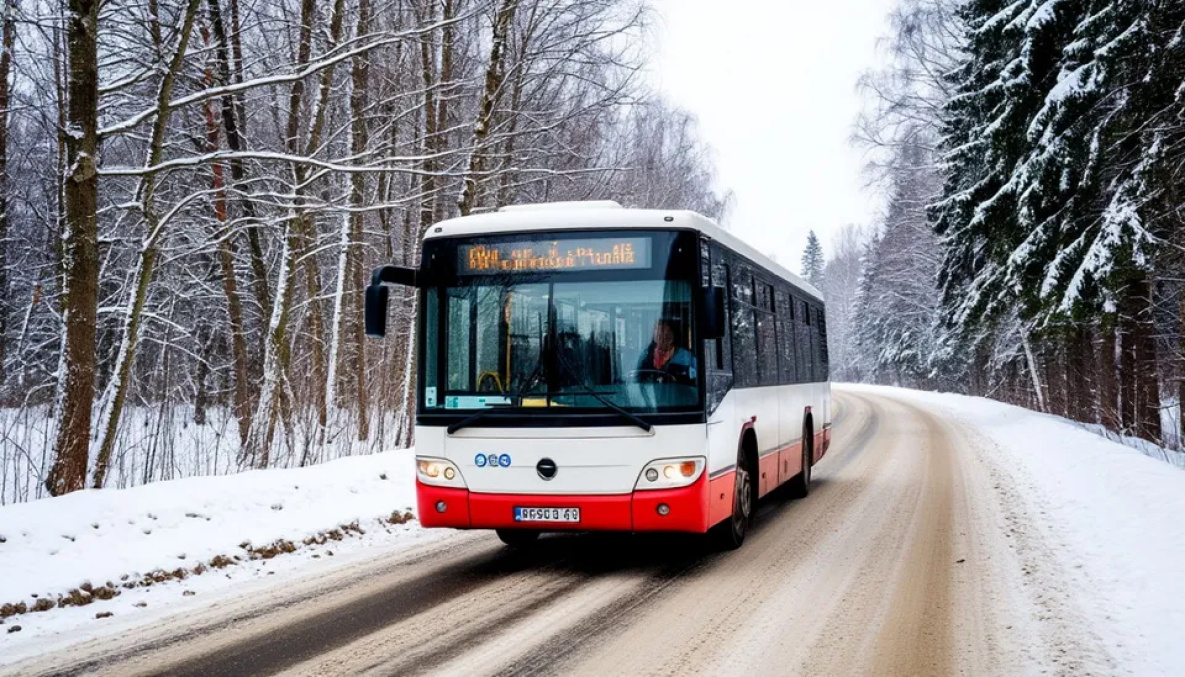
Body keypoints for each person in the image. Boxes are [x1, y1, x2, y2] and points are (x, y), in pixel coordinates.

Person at [635, 318, 697, 385]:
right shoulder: (645, 355)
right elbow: (637, 379)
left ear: (671, 338)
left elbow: (695, 383)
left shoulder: (687, 358)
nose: (659, 341)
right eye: (657, 336)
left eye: (663, 337)